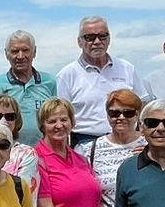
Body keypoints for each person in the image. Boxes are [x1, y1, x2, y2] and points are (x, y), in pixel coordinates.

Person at [53, 16, 139, 146]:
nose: (97, 41)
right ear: (79, 42)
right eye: (90, 37)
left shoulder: (127, 68)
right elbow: (60, 117)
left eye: (102, 36)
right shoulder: (67, 75)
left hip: (127, 140)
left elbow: (143, 105)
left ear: (109, 39)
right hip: (85, 142)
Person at [0, 30, 56, 146]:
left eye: (25, 50)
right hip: (9, 152)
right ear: (6, 54)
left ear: (34, 52)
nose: (20, 56)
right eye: (14, 51)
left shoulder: (50, 82)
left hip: (44, 152)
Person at [85, 87, 146, 207]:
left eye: (128, 113)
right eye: (114, 113)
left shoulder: (150, 145)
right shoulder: (91, 150)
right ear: (107, 115)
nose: (121, 117)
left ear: (137, 114)